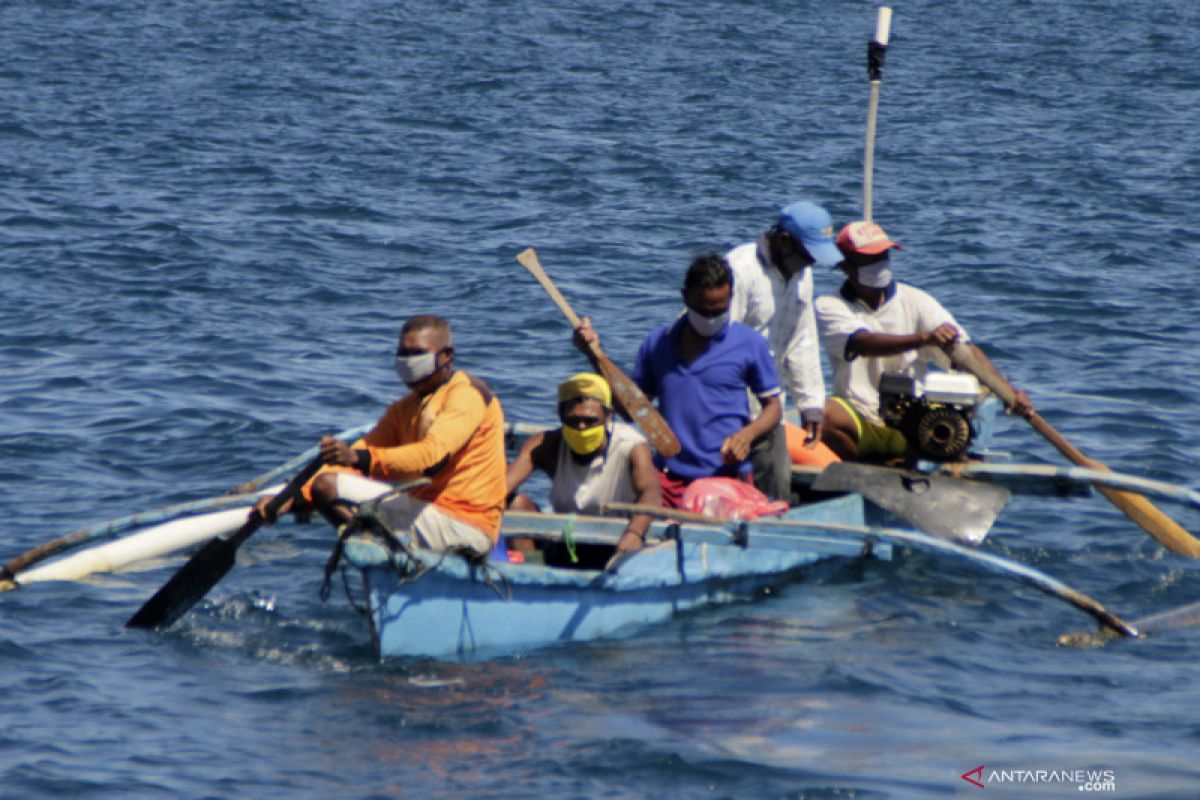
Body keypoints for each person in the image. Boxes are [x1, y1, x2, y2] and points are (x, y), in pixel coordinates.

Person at [255, 314, 507, 556]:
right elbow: (356, 459)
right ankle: (384, 550)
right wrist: (292, 496)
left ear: (447, 356)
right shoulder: (404, 409)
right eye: (402, 354)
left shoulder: (466, 395)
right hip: (426, 513)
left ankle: (382, 550)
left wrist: (355, 457)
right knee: (325, 484)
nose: (408, 361)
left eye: (417, 354)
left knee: (328, 487)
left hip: (467, 524)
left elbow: (429, 455)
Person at [815, 220, 1034, 463]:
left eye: (883, 255)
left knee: (977, 392)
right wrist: (922, 339)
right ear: (846, 264)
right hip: (860, 418)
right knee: (825, 415)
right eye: (871, 258)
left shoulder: (917, 301)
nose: (880, 263)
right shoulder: (830, 304)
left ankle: (932, 457)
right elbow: (862, 343)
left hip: (912, 424)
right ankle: (863, 466)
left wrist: (1009, 392)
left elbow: (965, 351)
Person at [575, 252, 782, 508]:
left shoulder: (750, 344)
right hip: (668, 479)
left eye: (720, 311)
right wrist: (595, 356)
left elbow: (773, 407)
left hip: (726, 478)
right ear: (685, 297)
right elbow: (633, 412)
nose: (711, 319)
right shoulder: (656, 344)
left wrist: (747, 435)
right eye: (703, 311)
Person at [725, 199, 843, 496]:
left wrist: (811, 403)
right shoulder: (740, 270)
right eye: (808, 254)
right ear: (784, 241)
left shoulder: (802, 274)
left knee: (775, 482)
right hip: (726, 403)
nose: (812, 263)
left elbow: (802, 340)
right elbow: (719, 342)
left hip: (768, 405)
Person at [506, 372, 661, 559]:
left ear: (608, 416)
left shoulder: (631, 446)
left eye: (590, 421)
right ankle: (531, 575)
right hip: (565, 540)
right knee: (516, 504)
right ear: (560, 415)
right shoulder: (546, 445)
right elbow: (502, 486)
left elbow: (651, 494)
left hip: (617, 544)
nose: (581, 428)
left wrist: (635, 533)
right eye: (573, 420)